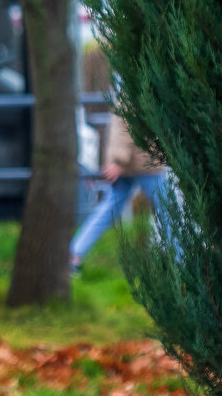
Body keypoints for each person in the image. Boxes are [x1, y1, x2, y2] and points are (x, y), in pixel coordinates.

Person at [69, 112, 170, 275]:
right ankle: (180, 260)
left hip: (134, 160)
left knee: (109, 210)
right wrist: (119, 160)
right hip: (142, 161)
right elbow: (123, 124)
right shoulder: (132, 88)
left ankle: (75, 252)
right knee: (168, 210)